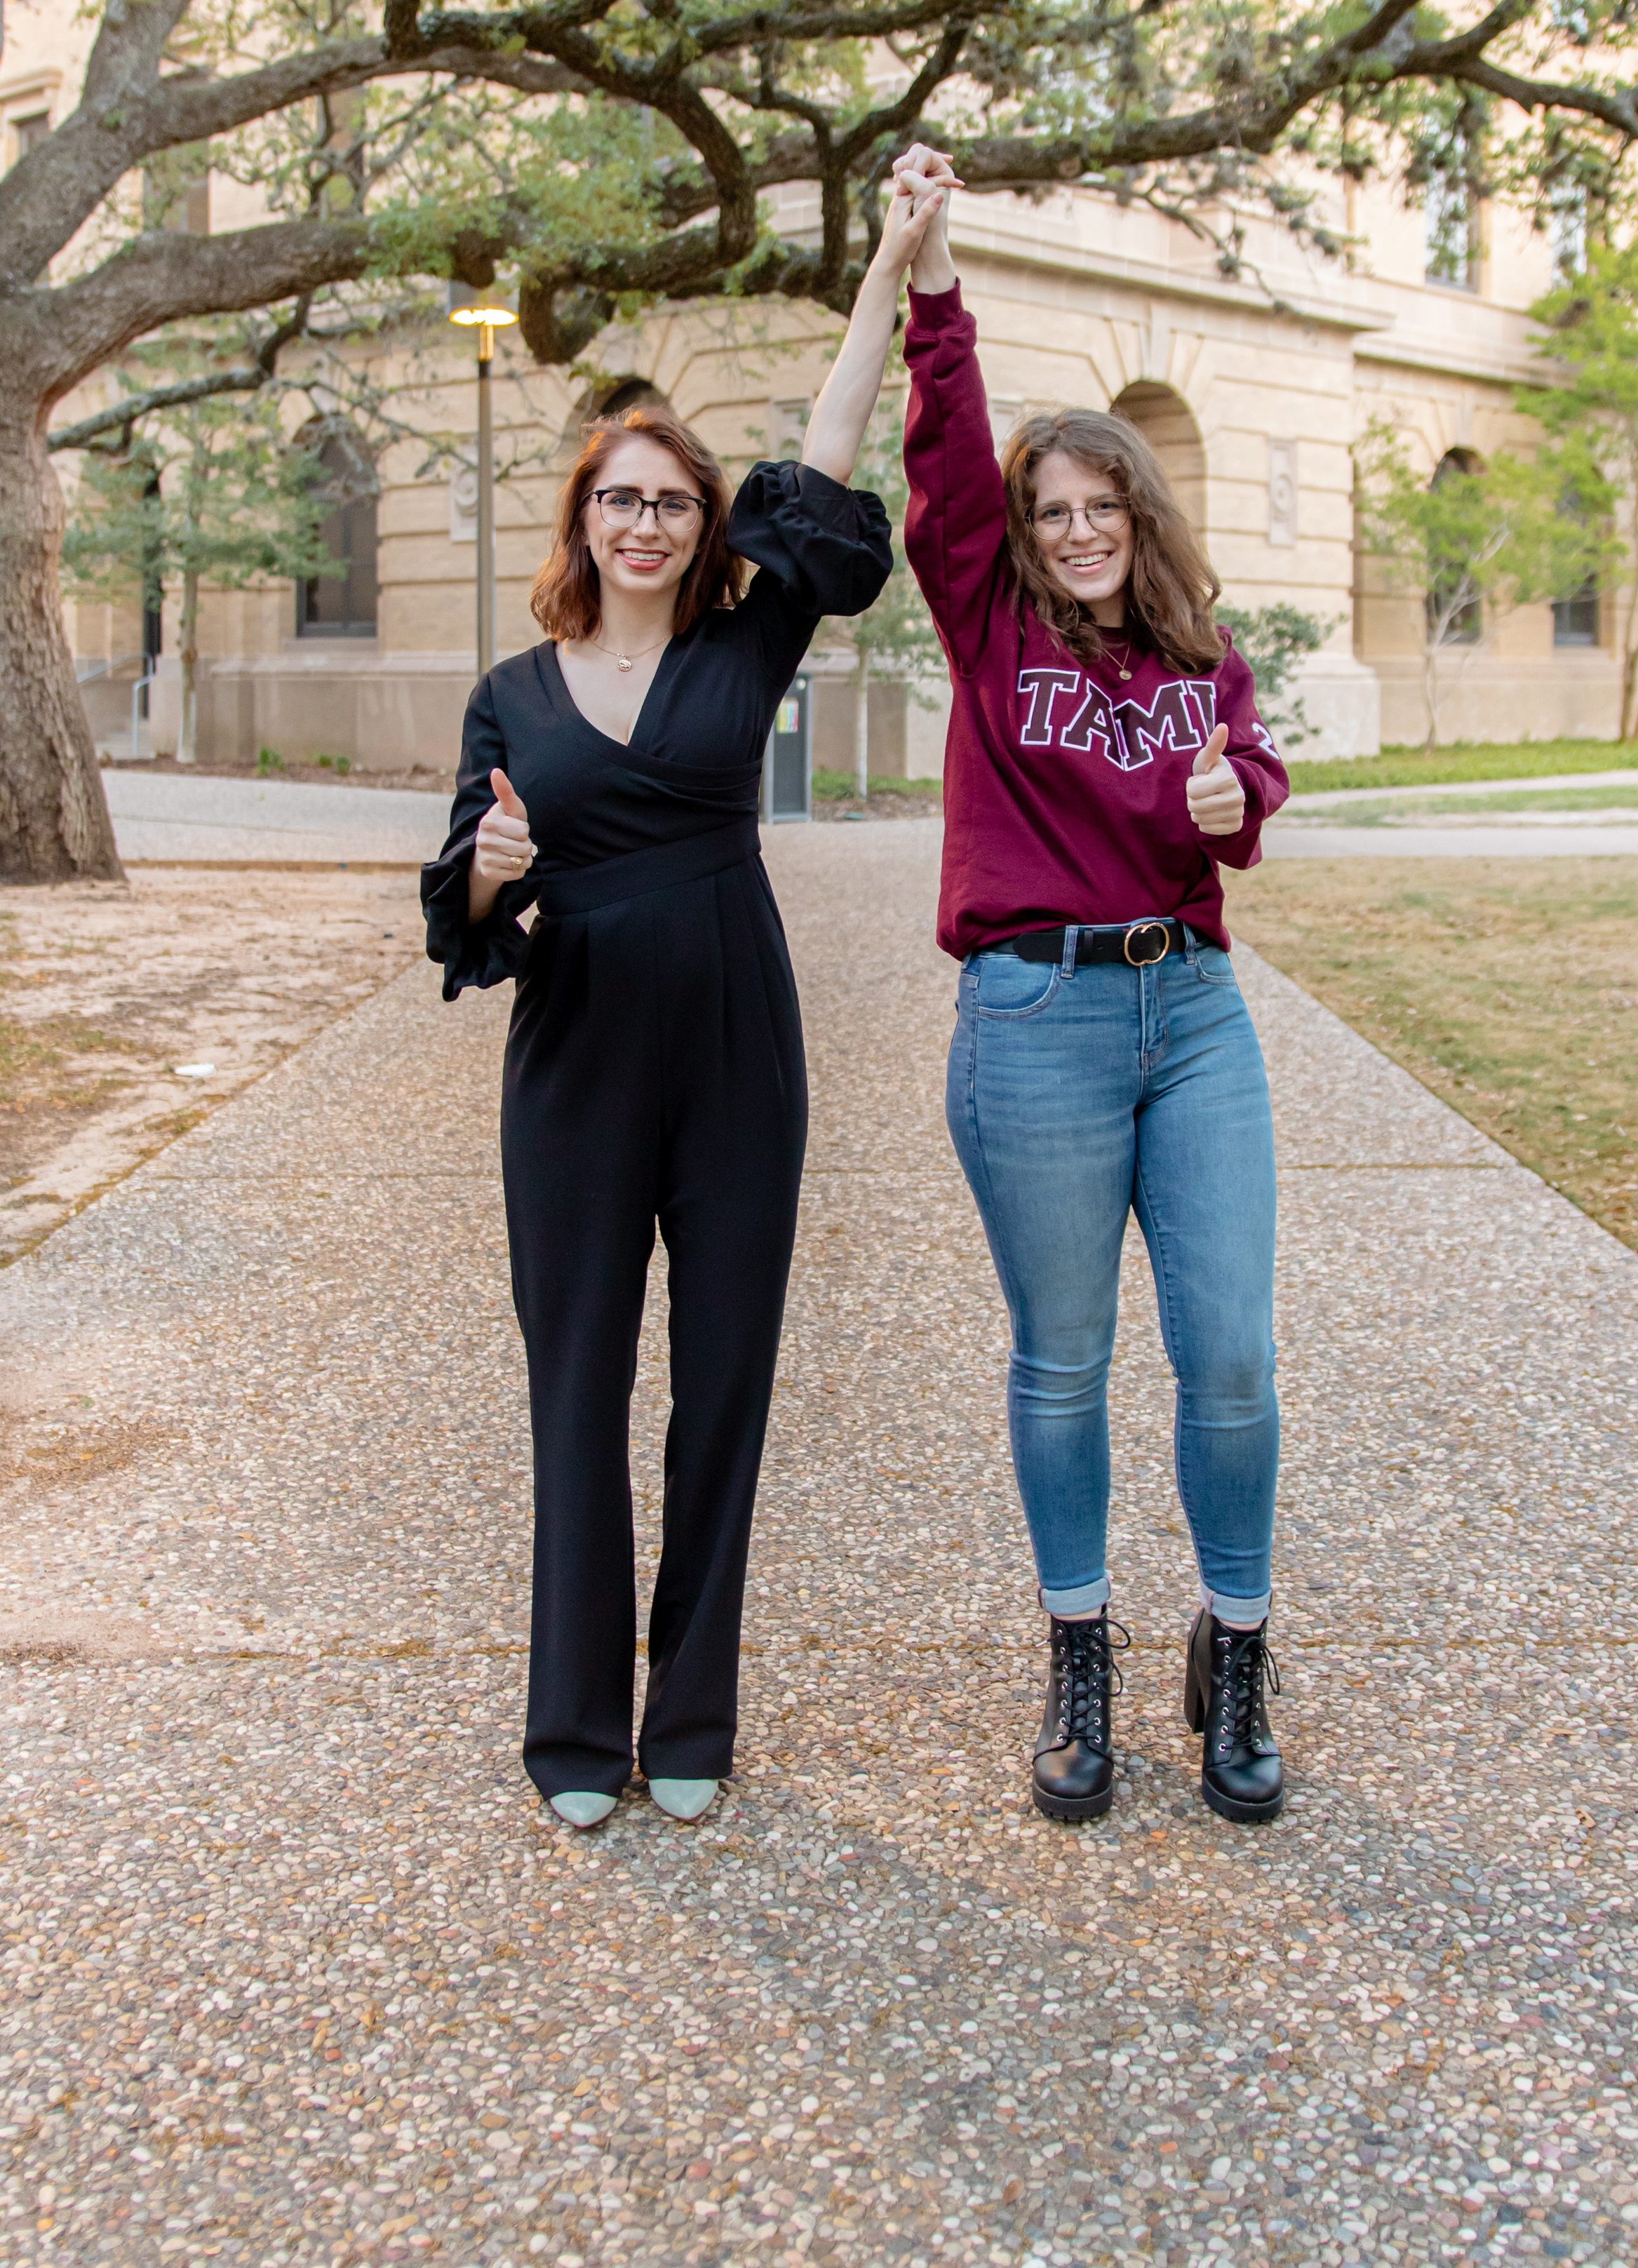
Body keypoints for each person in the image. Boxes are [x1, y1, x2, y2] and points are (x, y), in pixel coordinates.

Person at [803, 154, 1291, 1826]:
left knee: (1228, 1352)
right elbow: (940, 450)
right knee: (1063, 1358)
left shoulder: (1196, 654)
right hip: (1034, 1020)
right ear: (1019, 534)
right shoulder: (986, 618)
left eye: (1102, 508)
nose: (1077, 533)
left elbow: (1244, 769)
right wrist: (928, 278)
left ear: (1140, 517)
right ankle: (1077, 1648)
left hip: (1193, 1019)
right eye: (1051, 512)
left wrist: (1247, 799)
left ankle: (1232, 1648)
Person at [421, 402, 891, 1829]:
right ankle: (571, 1727)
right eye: (618, 501)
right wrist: (496, 867)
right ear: (581, 520)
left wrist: (885, 275)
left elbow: (822, 461)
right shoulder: (510, 689)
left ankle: (687, 1716)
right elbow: (462, 911)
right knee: (576, 1388)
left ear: (705, 528)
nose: (642, 524)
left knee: (723, 1387)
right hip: (574, 1051)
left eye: (671, 504)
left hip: (738, 1044)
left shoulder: (746, 644)